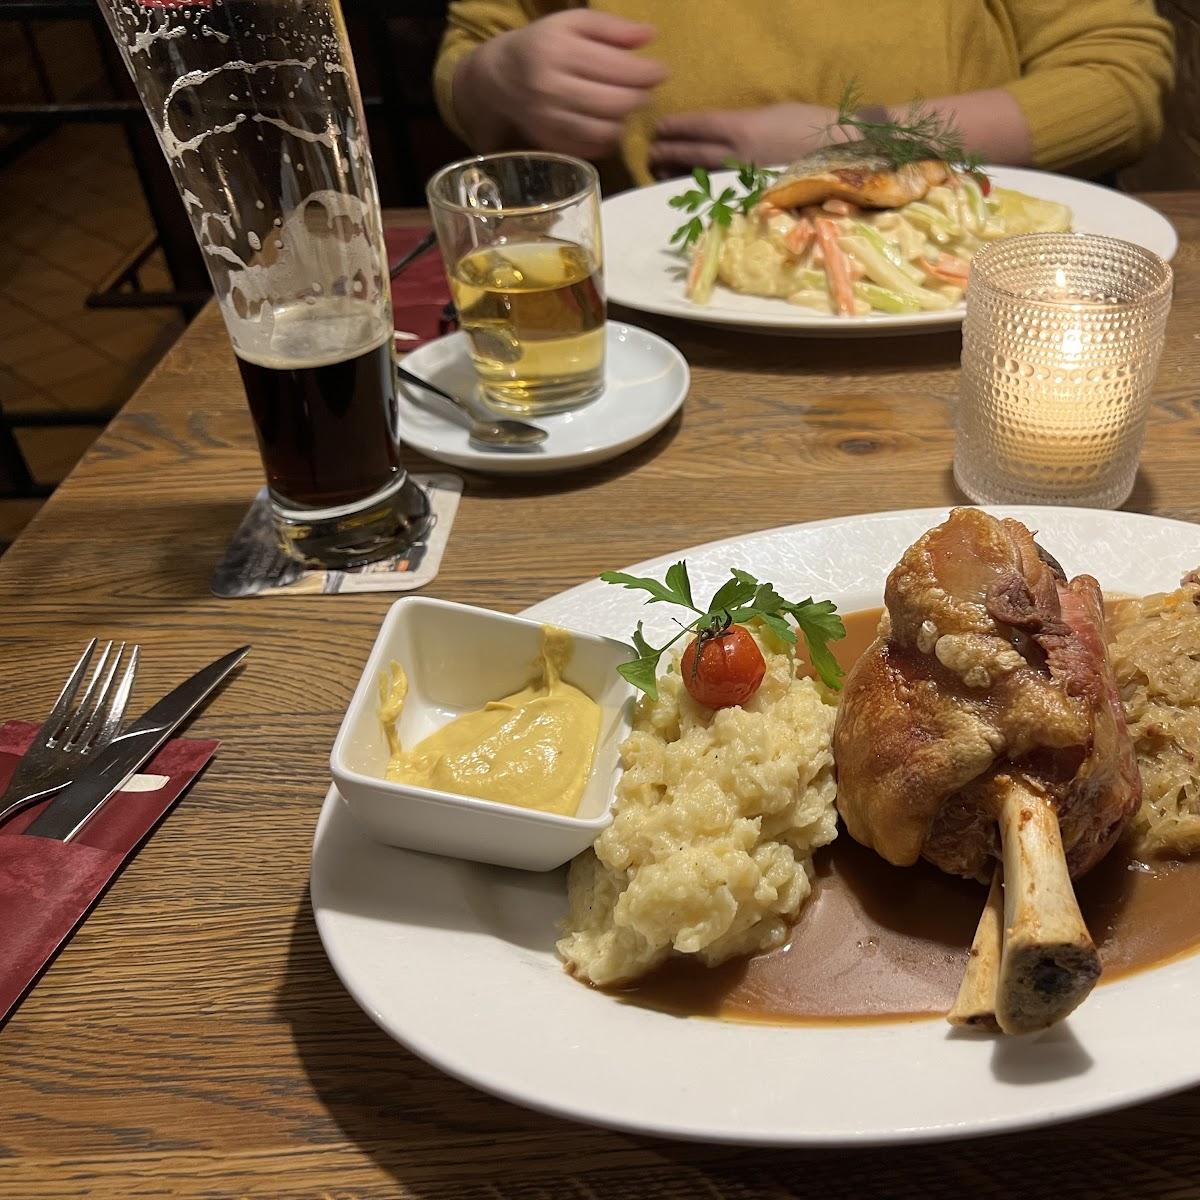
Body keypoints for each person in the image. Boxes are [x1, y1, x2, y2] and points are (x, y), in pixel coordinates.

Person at [433, 1, 1173, 189]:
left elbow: (1117, 81)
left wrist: (860, 142)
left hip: (967, 316)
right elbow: (472, 55)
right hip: (640, 319)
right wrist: (496, 77)